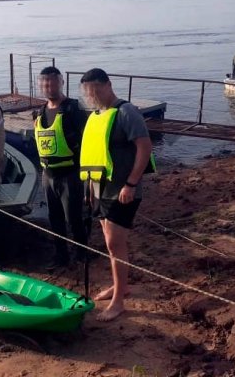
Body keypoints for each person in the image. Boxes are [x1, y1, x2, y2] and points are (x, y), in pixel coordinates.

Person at [79, 68, 155, 321]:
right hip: (100, 187)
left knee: (115, 243)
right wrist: (90, 188)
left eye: (97, 89)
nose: (93, 95)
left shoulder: (126, 112)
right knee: (109, 242)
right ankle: (119, 285)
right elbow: (94, 154)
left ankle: (119, 300)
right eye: (89, 92)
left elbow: (144, 146)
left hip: (123, 189)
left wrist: (131, 184)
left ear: (108, 85)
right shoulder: (97, 116)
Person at [33, 66, 89, 269]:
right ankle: (61, 256)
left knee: (73, 217)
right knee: (54, 218)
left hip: (70, 174)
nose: (48, 86)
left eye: (52, 82)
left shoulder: (73, 109)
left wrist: (89, 175)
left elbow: (87, 141)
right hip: (48, 175)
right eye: (44, 82)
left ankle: (82, 254)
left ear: (61, 82)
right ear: (40, 85)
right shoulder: (39, 112)